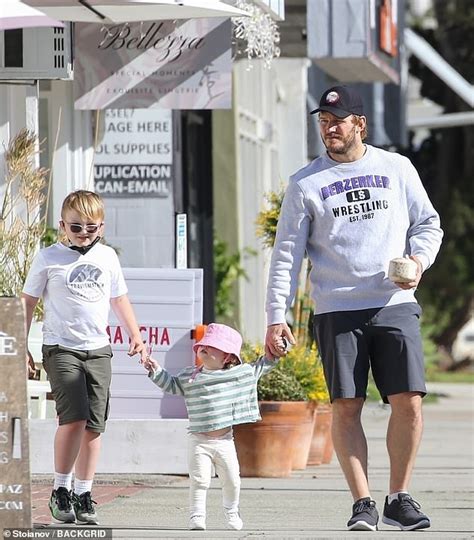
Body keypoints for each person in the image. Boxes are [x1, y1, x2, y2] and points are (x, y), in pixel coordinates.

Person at [265, 85, 443, 532]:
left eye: (337, 121)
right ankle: (362, 501)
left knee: (410, 401)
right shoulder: (305, 183)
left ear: (359, 123)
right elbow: (286, 253)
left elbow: (428, 223)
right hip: (336, 308)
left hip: (395, 302)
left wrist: (418, 261)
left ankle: (398, 498)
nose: (329, 129)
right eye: (323, 122)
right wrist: (275, 315)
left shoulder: (396, 168)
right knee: (346, 406)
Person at [22, 190, 147, 525]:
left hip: (98, 350)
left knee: (93, 426)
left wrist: (136, 335)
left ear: (102, 227)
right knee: (73, 418)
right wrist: (20, 346)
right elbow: (28, 301)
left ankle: (83, 492)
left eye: (91, 228)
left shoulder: (107, 257)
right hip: (61, 347)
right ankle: (60, 489)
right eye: (76, 227)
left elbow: (119, 300)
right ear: (62, 225)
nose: (83, 234)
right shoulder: (49, 258)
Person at [143, 323, 280, 531]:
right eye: (203, 344)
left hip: (225, 441)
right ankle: (197, 515)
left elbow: (264, 364)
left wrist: (279, 345)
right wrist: (155, 370)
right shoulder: (190, 376)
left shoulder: (238, 375)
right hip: (198, 440)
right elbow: (170, 384)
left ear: (228, 357)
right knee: (199, 480)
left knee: (233, 480)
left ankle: (231, 510)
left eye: (212, 345)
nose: (204, 347)